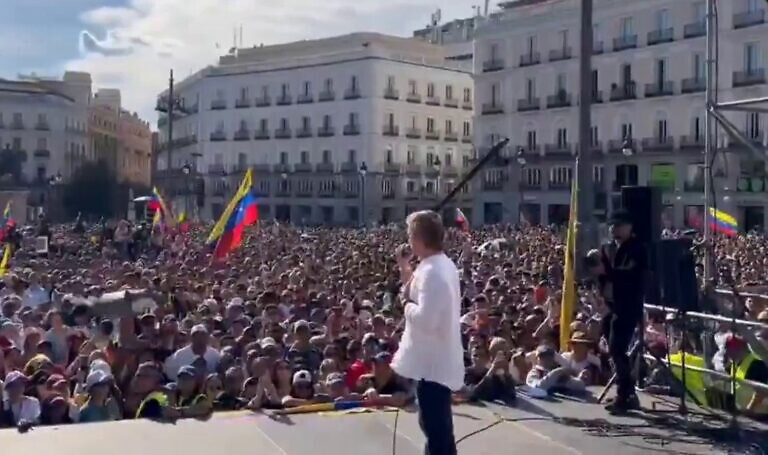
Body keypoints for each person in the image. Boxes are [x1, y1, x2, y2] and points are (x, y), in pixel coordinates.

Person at [391, 210, 464, 455]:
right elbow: (411, 290)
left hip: (434, 364)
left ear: (419, 239)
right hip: (433, 360)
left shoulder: (434, 272)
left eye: (410, 236)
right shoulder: (435, 264)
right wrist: (405, 267)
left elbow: (426, 319)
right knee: (436, 426)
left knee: (435, 428)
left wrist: (405, 307)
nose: (408, 241)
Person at [588, 209, 647, 414]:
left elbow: (631, 274)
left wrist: (608, 272)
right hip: (611, 305)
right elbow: (604, 274)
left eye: (619, 225)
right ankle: (627, 391)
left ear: (629, 227)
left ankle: (625, 394)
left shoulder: (637, 249)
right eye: (613, 226)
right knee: (612, 348)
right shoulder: (610, 249)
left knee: (616, 347)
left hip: (628, 306)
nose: (615, 229)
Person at [724, 334, 767, 416]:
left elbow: (762, 391)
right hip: (742, 412)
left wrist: (750, 409)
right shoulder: (734, 363)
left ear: (741, 349)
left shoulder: (756, 364)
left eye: (730, 348)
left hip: (759, 415)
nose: (727, 352)